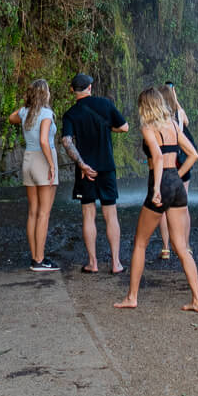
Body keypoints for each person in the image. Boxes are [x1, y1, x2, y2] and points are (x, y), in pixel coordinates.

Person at [114, 88, 198, 314]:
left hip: (161, 183)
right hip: (175, 183)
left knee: (140, 243)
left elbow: (157, 156)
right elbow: (193, 153)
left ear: (144, 106)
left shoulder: (148, 128)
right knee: (182, 247)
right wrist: (179, 175)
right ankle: (197, 300)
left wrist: (156, 188)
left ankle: (131, 297)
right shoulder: (173, 125)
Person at [61, 73, 129, 274]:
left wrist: (82, 165)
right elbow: (124, 127)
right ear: (90, 87)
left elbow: (67, 141)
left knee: (88, 215)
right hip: (106, 167)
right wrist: (107, 129)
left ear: (72, 90)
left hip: (85, 171)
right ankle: (116, 263)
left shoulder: (70, 114)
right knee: (111, 214)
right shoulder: (105, 105)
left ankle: (93, 263)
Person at [8, 78, 59, 271]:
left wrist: (26, 106)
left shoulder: (24, 112)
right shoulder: (46, 113)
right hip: (42, 160)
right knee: (44, 214)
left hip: (28, 161)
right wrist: (52, 165)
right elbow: (44, 141)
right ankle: (40, 259)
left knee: (33, 212)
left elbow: (11, 118)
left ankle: (34, 257)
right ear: (45, 94)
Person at [158, 82, 190, 261]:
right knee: (183, 206)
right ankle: (185, 245)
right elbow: (186, 122)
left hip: (165, 164)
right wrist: (175, 99)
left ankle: (166, 248)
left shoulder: (156, 119)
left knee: (164, 208)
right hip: (180, 163)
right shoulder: (178, 113)